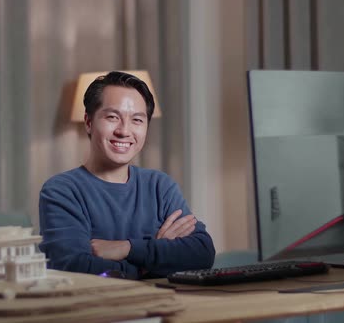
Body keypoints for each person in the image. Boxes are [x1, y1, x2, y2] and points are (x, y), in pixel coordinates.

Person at [38, 71, 215, 279]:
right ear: (88, 122)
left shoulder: (160, 186)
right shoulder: (61, 190)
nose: (124, 131)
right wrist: (152, 261)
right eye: (112, 117)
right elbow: (74, 267)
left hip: (163, 306)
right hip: (99, 310)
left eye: (137, 120)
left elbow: (202, 253)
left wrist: (127, 248)